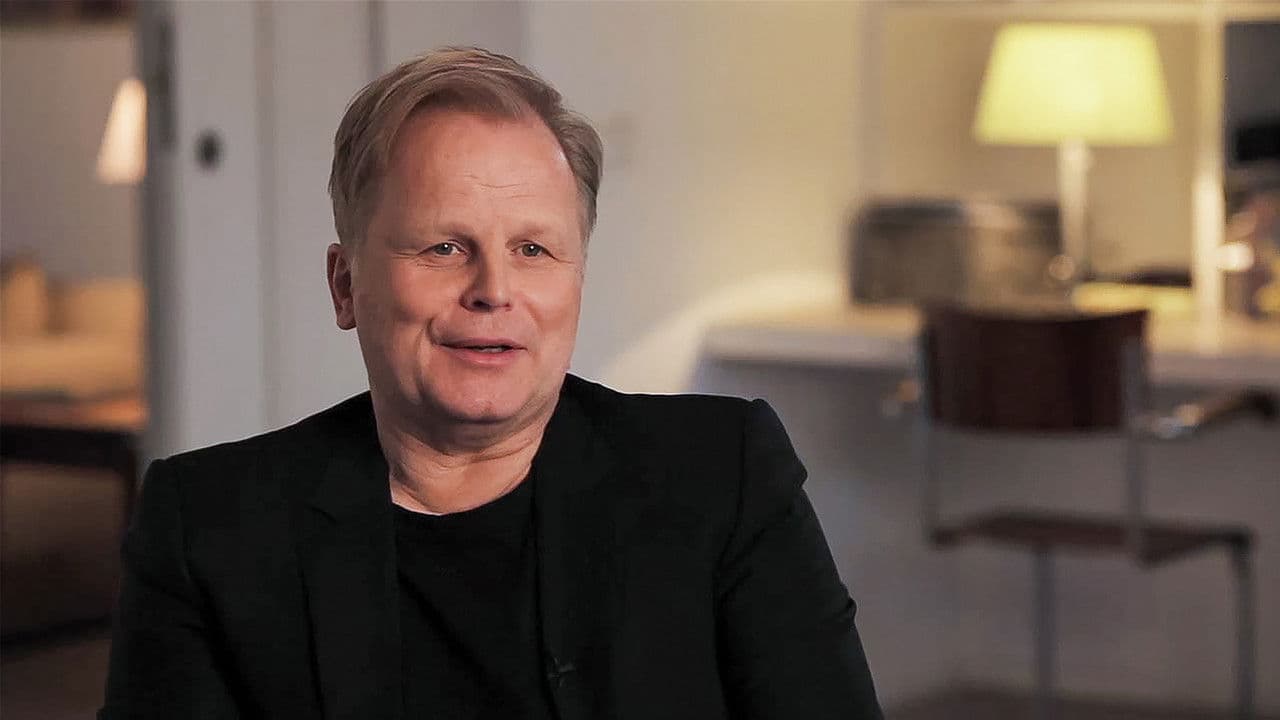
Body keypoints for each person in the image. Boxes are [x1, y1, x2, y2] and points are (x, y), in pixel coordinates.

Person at [100, 47, 882, 719]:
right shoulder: (206, 530)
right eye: (444, 247)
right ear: (345, 286)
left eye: (534, 250)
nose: (493, 290)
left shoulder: (722, 476)